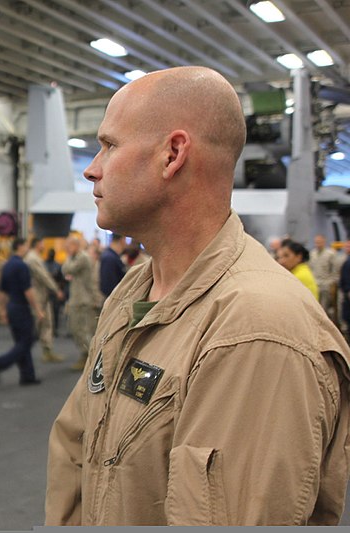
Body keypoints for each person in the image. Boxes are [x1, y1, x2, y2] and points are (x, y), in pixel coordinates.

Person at [45, 66, 350, 526]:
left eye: (109, 145)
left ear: (172, 154)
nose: (92, 168)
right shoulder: (135, 288)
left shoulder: (257, 331)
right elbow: (77, 444)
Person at [0, 237, 43, 385]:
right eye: (26, 246)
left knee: (21, 341)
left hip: (11, 307)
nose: (27, 249)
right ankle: (1, 363)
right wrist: (38, 309)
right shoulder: (22, 266)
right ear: (20, 247)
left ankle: (27, 376)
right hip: (21, 307)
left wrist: (2, 311)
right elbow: (28, 291)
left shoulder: (7, 265)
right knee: (27, 340)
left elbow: (1, 292)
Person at [61, 234, 100, 371]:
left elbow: (66, 269)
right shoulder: (76, 257)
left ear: (76, 245)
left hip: (83, 301)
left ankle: (89, 359)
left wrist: (67, 257)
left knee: (83, 330)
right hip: (77, 299)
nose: (67, 248)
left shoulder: (82, 257)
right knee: (75, 328)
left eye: (69, 245)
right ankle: (86, 356)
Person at [24, 238, 65, 362]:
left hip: (42, 294)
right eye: (42, 243)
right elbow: (43, 276)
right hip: (37, 295)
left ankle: (47, 351)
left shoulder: (35, 257)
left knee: (47, 323)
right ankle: (22, 352)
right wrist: (56, 289)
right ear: (37, 244)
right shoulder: (32, 258)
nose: (44, 246)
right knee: (36, 323)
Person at [309, 234, 338, 317]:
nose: (318, 244)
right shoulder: (312, 253)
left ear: (324, 242)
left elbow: (335, 271)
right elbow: (310, 268)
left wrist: (331, 282)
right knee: (314, 308)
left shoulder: (330, 254)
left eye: (320, 242)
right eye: (316, 242)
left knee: (324, 309)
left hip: (325, 284)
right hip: (315, 284)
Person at [44, 248, 66, 337]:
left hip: (55, 290)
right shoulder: (44, 264)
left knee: (55, 311)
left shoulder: (57, 265)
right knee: (47, 311)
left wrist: (60, 290)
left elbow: (62, 279)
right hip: (46, 290)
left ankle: (54, 329)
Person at [99, 233, 127, 298]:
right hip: (113, 299)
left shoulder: (113, 256)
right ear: (122, 240)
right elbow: (109, 286)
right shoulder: (109, 258)